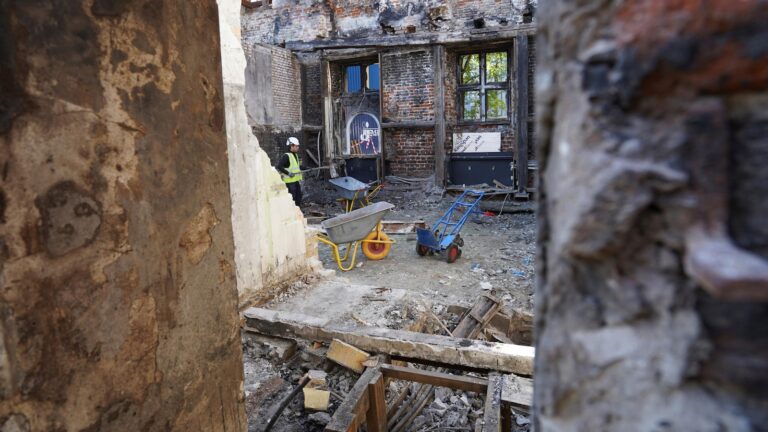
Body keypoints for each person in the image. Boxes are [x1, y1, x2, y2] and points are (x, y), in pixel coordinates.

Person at [277, 137, 305, 206]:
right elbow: (279, 166)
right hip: (289, 182)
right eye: (296, 146)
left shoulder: (295, 155)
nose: (298, 147)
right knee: (293, 198)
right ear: (291, 146)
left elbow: (297, 166)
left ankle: (298, 211)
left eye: (298, 146)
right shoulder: (286, 156)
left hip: (295, 181)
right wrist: (288, 173)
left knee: (298, 197)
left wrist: (307, 168)